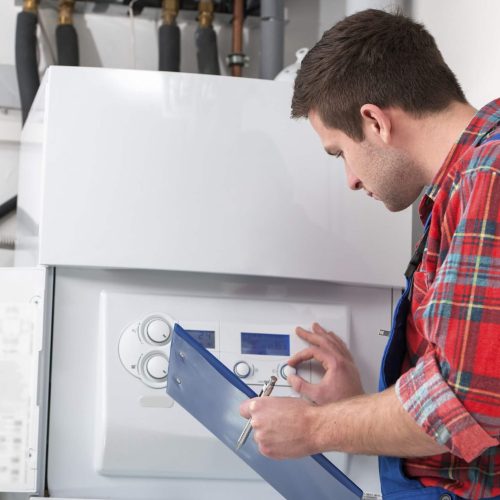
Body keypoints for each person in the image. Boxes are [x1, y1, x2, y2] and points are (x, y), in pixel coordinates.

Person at [239, 9, 500, 500]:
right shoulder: (464, 187)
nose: (352, 180)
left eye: (340, 153)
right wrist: (359, 406)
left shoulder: (490, 178)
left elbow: (464, 403)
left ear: (375, 121)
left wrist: (316, 428)